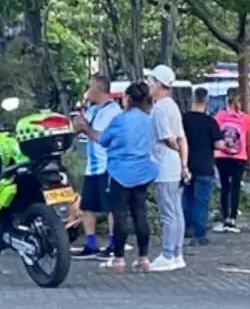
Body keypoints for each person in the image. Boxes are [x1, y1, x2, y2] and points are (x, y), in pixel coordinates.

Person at [88, 82, 157, 272]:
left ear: (128, 99)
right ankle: (144, 258)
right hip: (143, 171)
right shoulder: (149, 120)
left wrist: (86, 128)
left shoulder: (120, 120)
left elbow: (102, 140)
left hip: (120, 173)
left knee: (120, 215)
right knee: (140, 213)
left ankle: (118, 259)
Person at [73, 75, 122, 258]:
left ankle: (113, 244)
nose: (87, 91)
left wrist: (86, 128)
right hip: (91, 166)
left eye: (90, 87)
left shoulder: (113, 111)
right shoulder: (92, 109)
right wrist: (78, 124)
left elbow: (100, 136)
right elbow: (81, 128)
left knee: (110, 207)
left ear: (99, 90)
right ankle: (91, 243)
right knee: (87, 206)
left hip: (107, 165)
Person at [146, 65, 187, 271]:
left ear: (160, 84)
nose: (149, 85)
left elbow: (170, 139)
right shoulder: (173, 106)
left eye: (152, 82)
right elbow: (182, 138)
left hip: (164, 166)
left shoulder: (160, 108)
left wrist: (178, 153)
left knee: (168, 213)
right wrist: (184, 163)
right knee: (176, 211)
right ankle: (177, 253)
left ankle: (168, 253)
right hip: (174, 165)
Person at [181, 87, 223, 245]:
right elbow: (219, 144)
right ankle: (199, 234)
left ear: (192, 100)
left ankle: (187, 229)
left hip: (186, 165)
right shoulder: (210, 122)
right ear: (207, 101)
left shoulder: (183, 119)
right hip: (205, 165)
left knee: (187, 199)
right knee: (201, 201)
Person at [214, 87, 250, 232]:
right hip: (239, 156)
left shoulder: (220, 115)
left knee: (225, 186)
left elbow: (216, 134)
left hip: (222, 155)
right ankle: (232, 218)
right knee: (235, 186)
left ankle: (226, 216)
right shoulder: (245, 118)